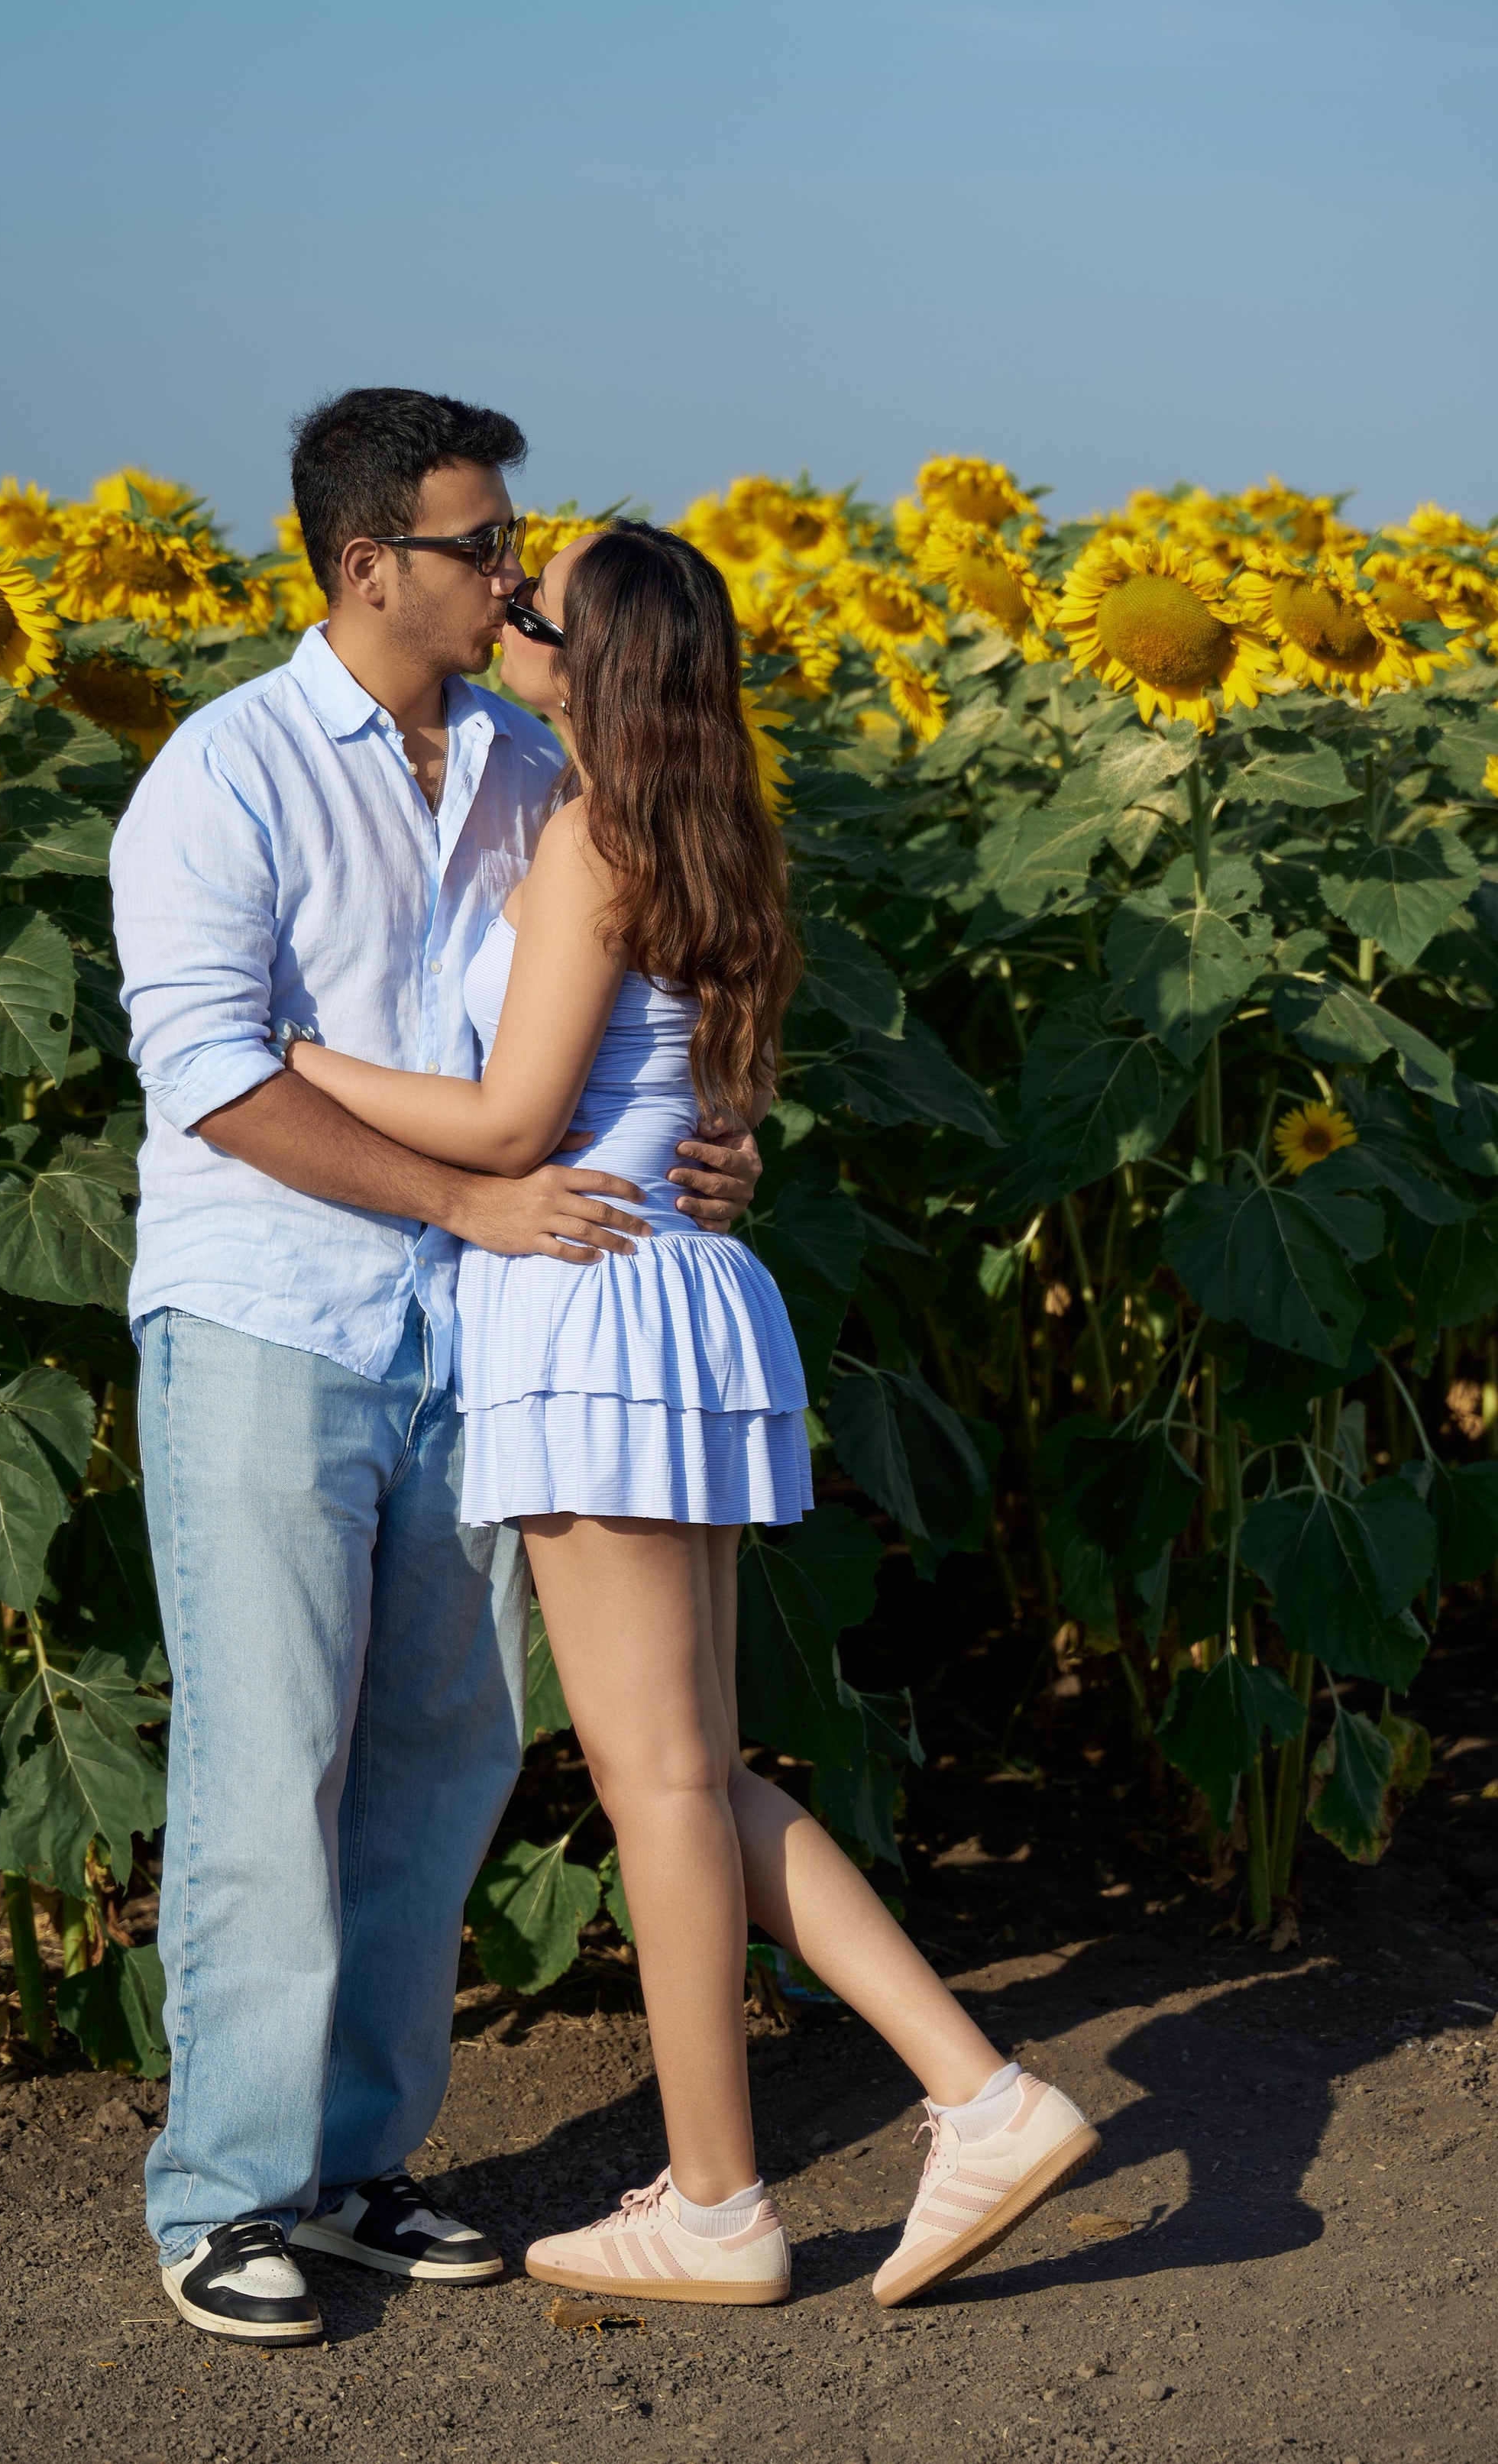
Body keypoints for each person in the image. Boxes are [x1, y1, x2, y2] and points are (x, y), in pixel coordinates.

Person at [287, 519, 1099, 2311]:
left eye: (536, 598)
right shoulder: (706, 827)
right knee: (698, 1771)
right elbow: (693, 1103)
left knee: (654, 1778)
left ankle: (725, 2198)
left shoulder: (591, 838)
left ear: (590, 660)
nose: (507, 601)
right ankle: (975, 2093)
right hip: (680, 1303)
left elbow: (507, 1130)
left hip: (589, 1310)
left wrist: (285, 1059)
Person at [108, 390, 765, 2347]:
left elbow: (626, 1028)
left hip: (497, 1330)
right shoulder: (218, 775)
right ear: (363, 561)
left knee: (443, 1747)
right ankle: (227, 2193)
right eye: (481, 545)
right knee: (267, 1750)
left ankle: (360, 2156)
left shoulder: (522, 756)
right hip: (272, 1311)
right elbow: (211, 1074)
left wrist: (713, 1141)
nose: (508, 572)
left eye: (513, 547)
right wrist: (461, 1200)